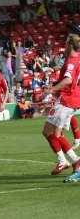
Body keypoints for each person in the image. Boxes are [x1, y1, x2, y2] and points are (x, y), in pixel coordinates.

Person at [41, 32, 80, 182]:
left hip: (67, 100)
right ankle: (70, 161)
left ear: (70, 45)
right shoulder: (77, 58)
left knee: (53, 133)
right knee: (51, 132)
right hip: (70, 98)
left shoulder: (71, 60)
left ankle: (69, 161)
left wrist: (53, 89)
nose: (63, 44)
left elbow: (69, 79)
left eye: (65, 42)